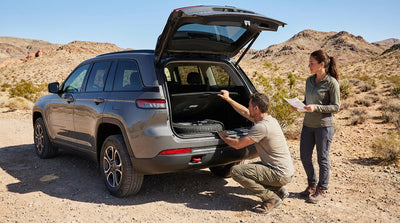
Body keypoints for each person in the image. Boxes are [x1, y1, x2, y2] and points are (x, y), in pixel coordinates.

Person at [217, 90, 294, 214]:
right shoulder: (269, 120)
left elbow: (238, 145)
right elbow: (245, 112)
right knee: (253, 170)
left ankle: (270, 198)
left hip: (279, 173)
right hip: (284, 171)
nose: (248, 108)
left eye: (249, 105)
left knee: (236, 171)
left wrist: (225, 137)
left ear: (256, 108)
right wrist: (228, 99)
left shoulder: (261, 127)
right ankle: (279, 190)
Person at [292, 50, 340, 204]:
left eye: (311, 63)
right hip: (308, 125)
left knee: (322, 159)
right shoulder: (309, 81)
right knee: (305, 156)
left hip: (323, 127)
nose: (308, 66)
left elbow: (336, 107)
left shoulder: (331, 82)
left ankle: (322, 188)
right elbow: (308, 101)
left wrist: (316, 108)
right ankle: (312, 185)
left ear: (321, 64)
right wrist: (299, 106)